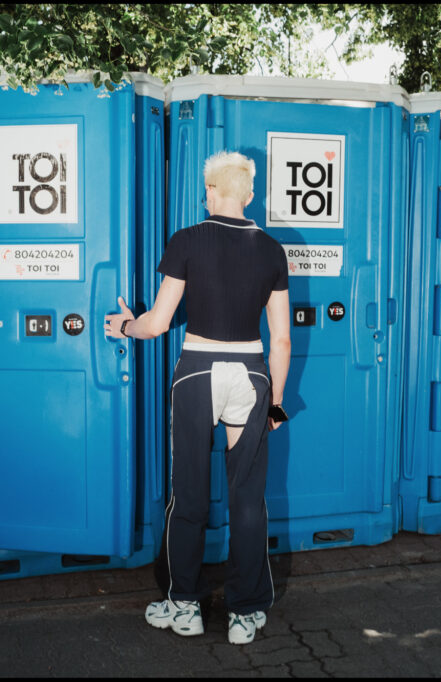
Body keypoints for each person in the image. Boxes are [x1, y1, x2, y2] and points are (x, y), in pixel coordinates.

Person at [104, 150, 291, 645]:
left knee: (187, 494)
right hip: (251, 375)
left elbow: (159, 323)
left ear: (210, 192)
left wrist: (125, 324)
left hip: (197, 371)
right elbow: (282, 341)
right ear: (251, 195)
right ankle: (244, 614)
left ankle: (183, 605)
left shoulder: (187, 240)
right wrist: (277, 405)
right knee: (247, 497)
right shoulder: (273, 250)